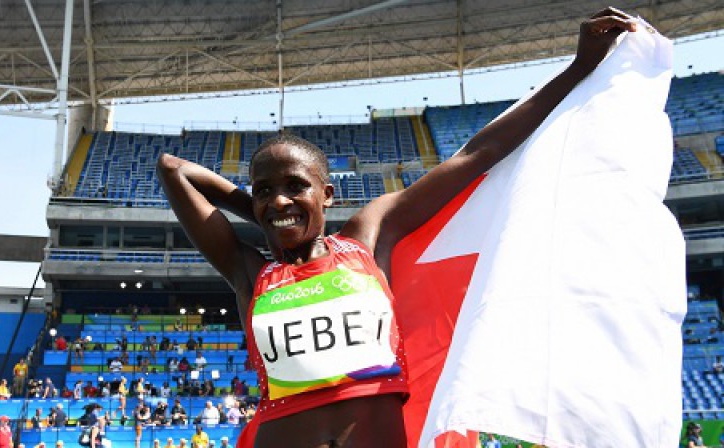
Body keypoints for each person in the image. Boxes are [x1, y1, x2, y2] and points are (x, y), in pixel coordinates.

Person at [157, 8, 633, 446]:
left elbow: (476, 156)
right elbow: (173, 169)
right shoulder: (249, 274)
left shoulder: (367, 239)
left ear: (328, 194)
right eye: (263, 190)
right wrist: (275, 215)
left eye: (296, 186)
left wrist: (578, 68)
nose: (277, 197)